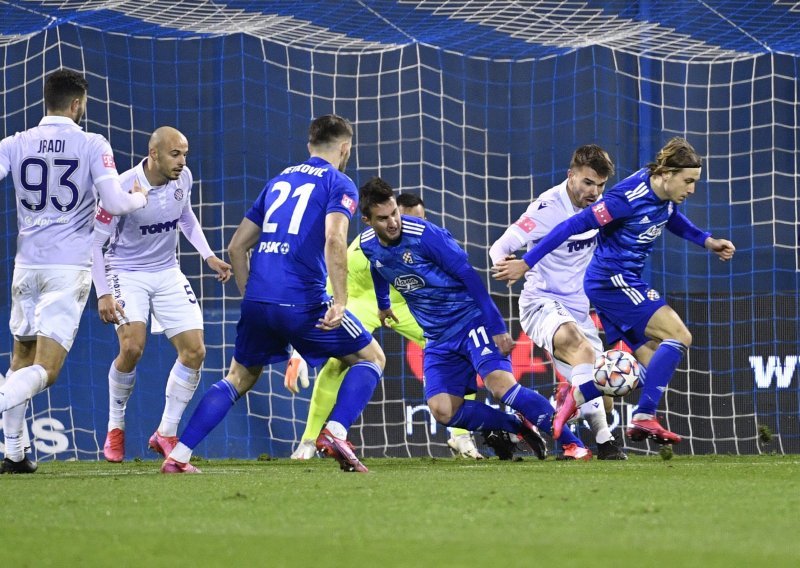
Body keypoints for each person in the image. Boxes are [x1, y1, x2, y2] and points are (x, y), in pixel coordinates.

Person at [160, 114, 385, 474]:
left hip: (257, 301)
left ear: (310, 145)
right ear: (345, 148)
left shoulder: (279, 179)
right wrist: (340, 301)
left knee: (239, 378)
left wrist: (253, 297)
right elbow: (334, 239)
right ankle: (336, 432)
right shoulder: (338, 182)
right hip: (303, 301)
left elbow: (236, 247)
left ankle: (179, 455)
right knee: (371, 357)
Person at [493, 137, 735, 444]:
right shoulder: (621, 200)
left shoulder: (663, 197)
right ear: (666, 174)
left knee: (644, 367)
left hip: (604, 289)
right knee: (679, 336)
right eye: (688, 181)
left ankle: (568, 401)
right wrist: (525, 262)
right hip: (606, 281)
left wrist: (707, 241)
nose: (692, 189)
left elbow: (670, 216)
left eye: (695, 182)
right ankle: (640, 420)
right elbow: (570, 227)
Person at [360, 177, 593, 460]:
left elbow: (468, 275)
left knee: (501, 386)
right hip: (437, 337)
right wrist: (384, 304)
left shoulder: (426, 235)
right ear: (367, 220)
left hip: (471, 321)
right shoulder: (368, 244)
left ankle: (573, 444)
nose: (393, 222)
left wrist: (494, 324)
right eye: (383, 218)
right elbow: (378, 265)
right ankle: (515, 426)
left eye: (394, 212)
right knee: (443, 410)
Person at [0, 69, 148, 474]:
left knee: (21, 359)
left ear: (44, 100)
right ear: (78, 103)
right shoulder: (91, 143)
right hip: (66, 269)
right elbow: (115, 203)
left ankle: (14, 453)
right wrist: (137, 198)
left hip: (24, 266)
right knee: (46, 370)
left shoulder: (16, 142)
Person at [287, 192, 485, 461]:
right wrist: (300, 350)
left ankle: (461, 435)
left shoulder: (430, 237)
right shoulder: (361, 250)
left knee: (460, 350)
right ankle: (309, 441)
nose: (413, 229)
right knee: (339, 362)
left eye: (421, 221)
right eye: (404, 221)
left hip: (407, 302)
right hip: (361, 298)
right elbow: (329, 295)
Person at [91, 127, 232, 463]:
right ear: (153, 153)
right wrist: (103, 293)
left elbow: (186, 217)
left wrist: (208, 255)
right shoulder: (120, 187)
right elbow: (95, 244)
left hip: (167, 270)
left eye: (185, 154)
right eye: (175, 154)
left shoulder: (183, 179)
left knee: (195, 350)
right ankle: (115, 425)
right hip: (125, 271)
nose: (182, 162)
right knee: (132, 346)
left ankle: (166, 433)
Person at [489, 145, 627, 460]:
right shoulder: (547, 208)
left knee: (603, 397)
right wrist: (505, 267)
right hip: (541, 303)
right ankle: (606, 442)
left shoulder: (602, 208)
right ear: (571, 176)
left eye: (601, 185)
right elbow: (501, 246)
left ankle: (525, 423)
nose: (594, 192)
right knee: (579, 346)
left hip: (579, 310)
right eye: (588, 183)